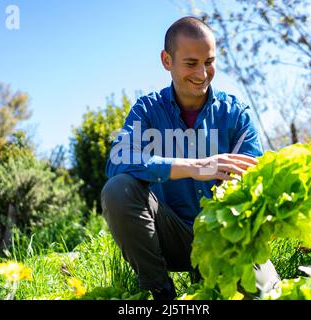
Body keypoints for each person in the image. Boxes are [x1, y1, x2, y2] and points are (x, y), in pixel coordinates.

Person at [101, 16, 280, 300]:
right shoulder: (147, 110)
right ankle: (160, 294)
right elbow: (118, 160)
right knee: (118, 189)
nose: (202, 73)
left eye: (209, 62)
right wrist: (193, 167)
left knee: (264, 295)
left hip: (226, 240)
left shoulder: (236, 114)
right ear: (166, 60)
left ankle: (213, 274)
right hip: (170, 238)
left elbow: (256, 184)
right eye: (191, 63)